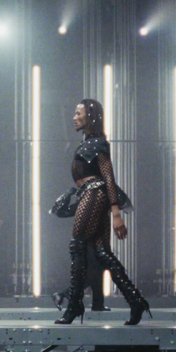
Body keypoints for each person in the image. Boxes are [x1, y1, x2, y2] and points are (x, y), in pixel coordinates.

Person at [55, 98, 150, 326]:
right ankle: (136, 301)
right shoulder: (89, 142)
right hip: (91, 194)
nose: (74, 117)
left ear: (90, 116)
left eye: (78, 113)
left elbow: (108, 176)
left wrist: (116, 213)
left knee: (77, 246)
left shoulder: (98, 143)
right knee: (101, 252)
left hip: (95, 193)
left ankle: (74, 304)